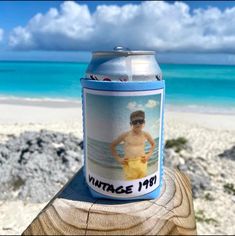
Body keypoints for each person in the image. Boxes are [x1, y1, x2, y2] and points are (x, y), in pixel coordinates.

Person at [110, 110, 155, 180]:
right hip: (129, 164)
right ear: (131, 123)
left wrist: (148, 155)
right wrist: (118, 159)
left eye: (140, 121)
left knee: (142, 182)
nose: (138, 124)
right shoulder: (125, 135)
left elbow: (153, 144)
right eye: (135, 122)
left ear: (144, 122)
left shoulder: (146, 134)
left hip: (142, 162)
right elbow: (112, 145)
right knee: (130, 183)